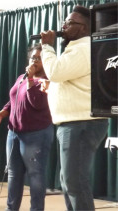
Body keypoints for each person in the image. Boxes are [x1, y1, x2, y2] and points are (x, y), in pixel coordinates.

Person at [39, 6, 109, 210]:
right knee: (69, 181)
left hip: (81, 124)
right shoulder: (77, 47)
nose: (64, 26)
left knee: (74, 182)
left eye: (70, 23)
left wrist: (47, 47)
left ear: (84, 28)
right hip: (73, 123)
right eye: (65, 22)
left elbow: (55, 72)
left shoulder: (84, 47)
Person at [0, 44, 54, 211]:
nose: (35, 61)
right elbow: (14, 100)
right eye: (33, 57)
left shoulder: (47, 81)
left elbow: (37, 103)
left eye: (39, 58)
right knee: (13, 175)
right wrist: (2, 113)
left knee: (35, 176)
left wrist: (31, 80)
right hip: (14, 133)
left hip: (36, 135)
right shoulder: (22, 77)